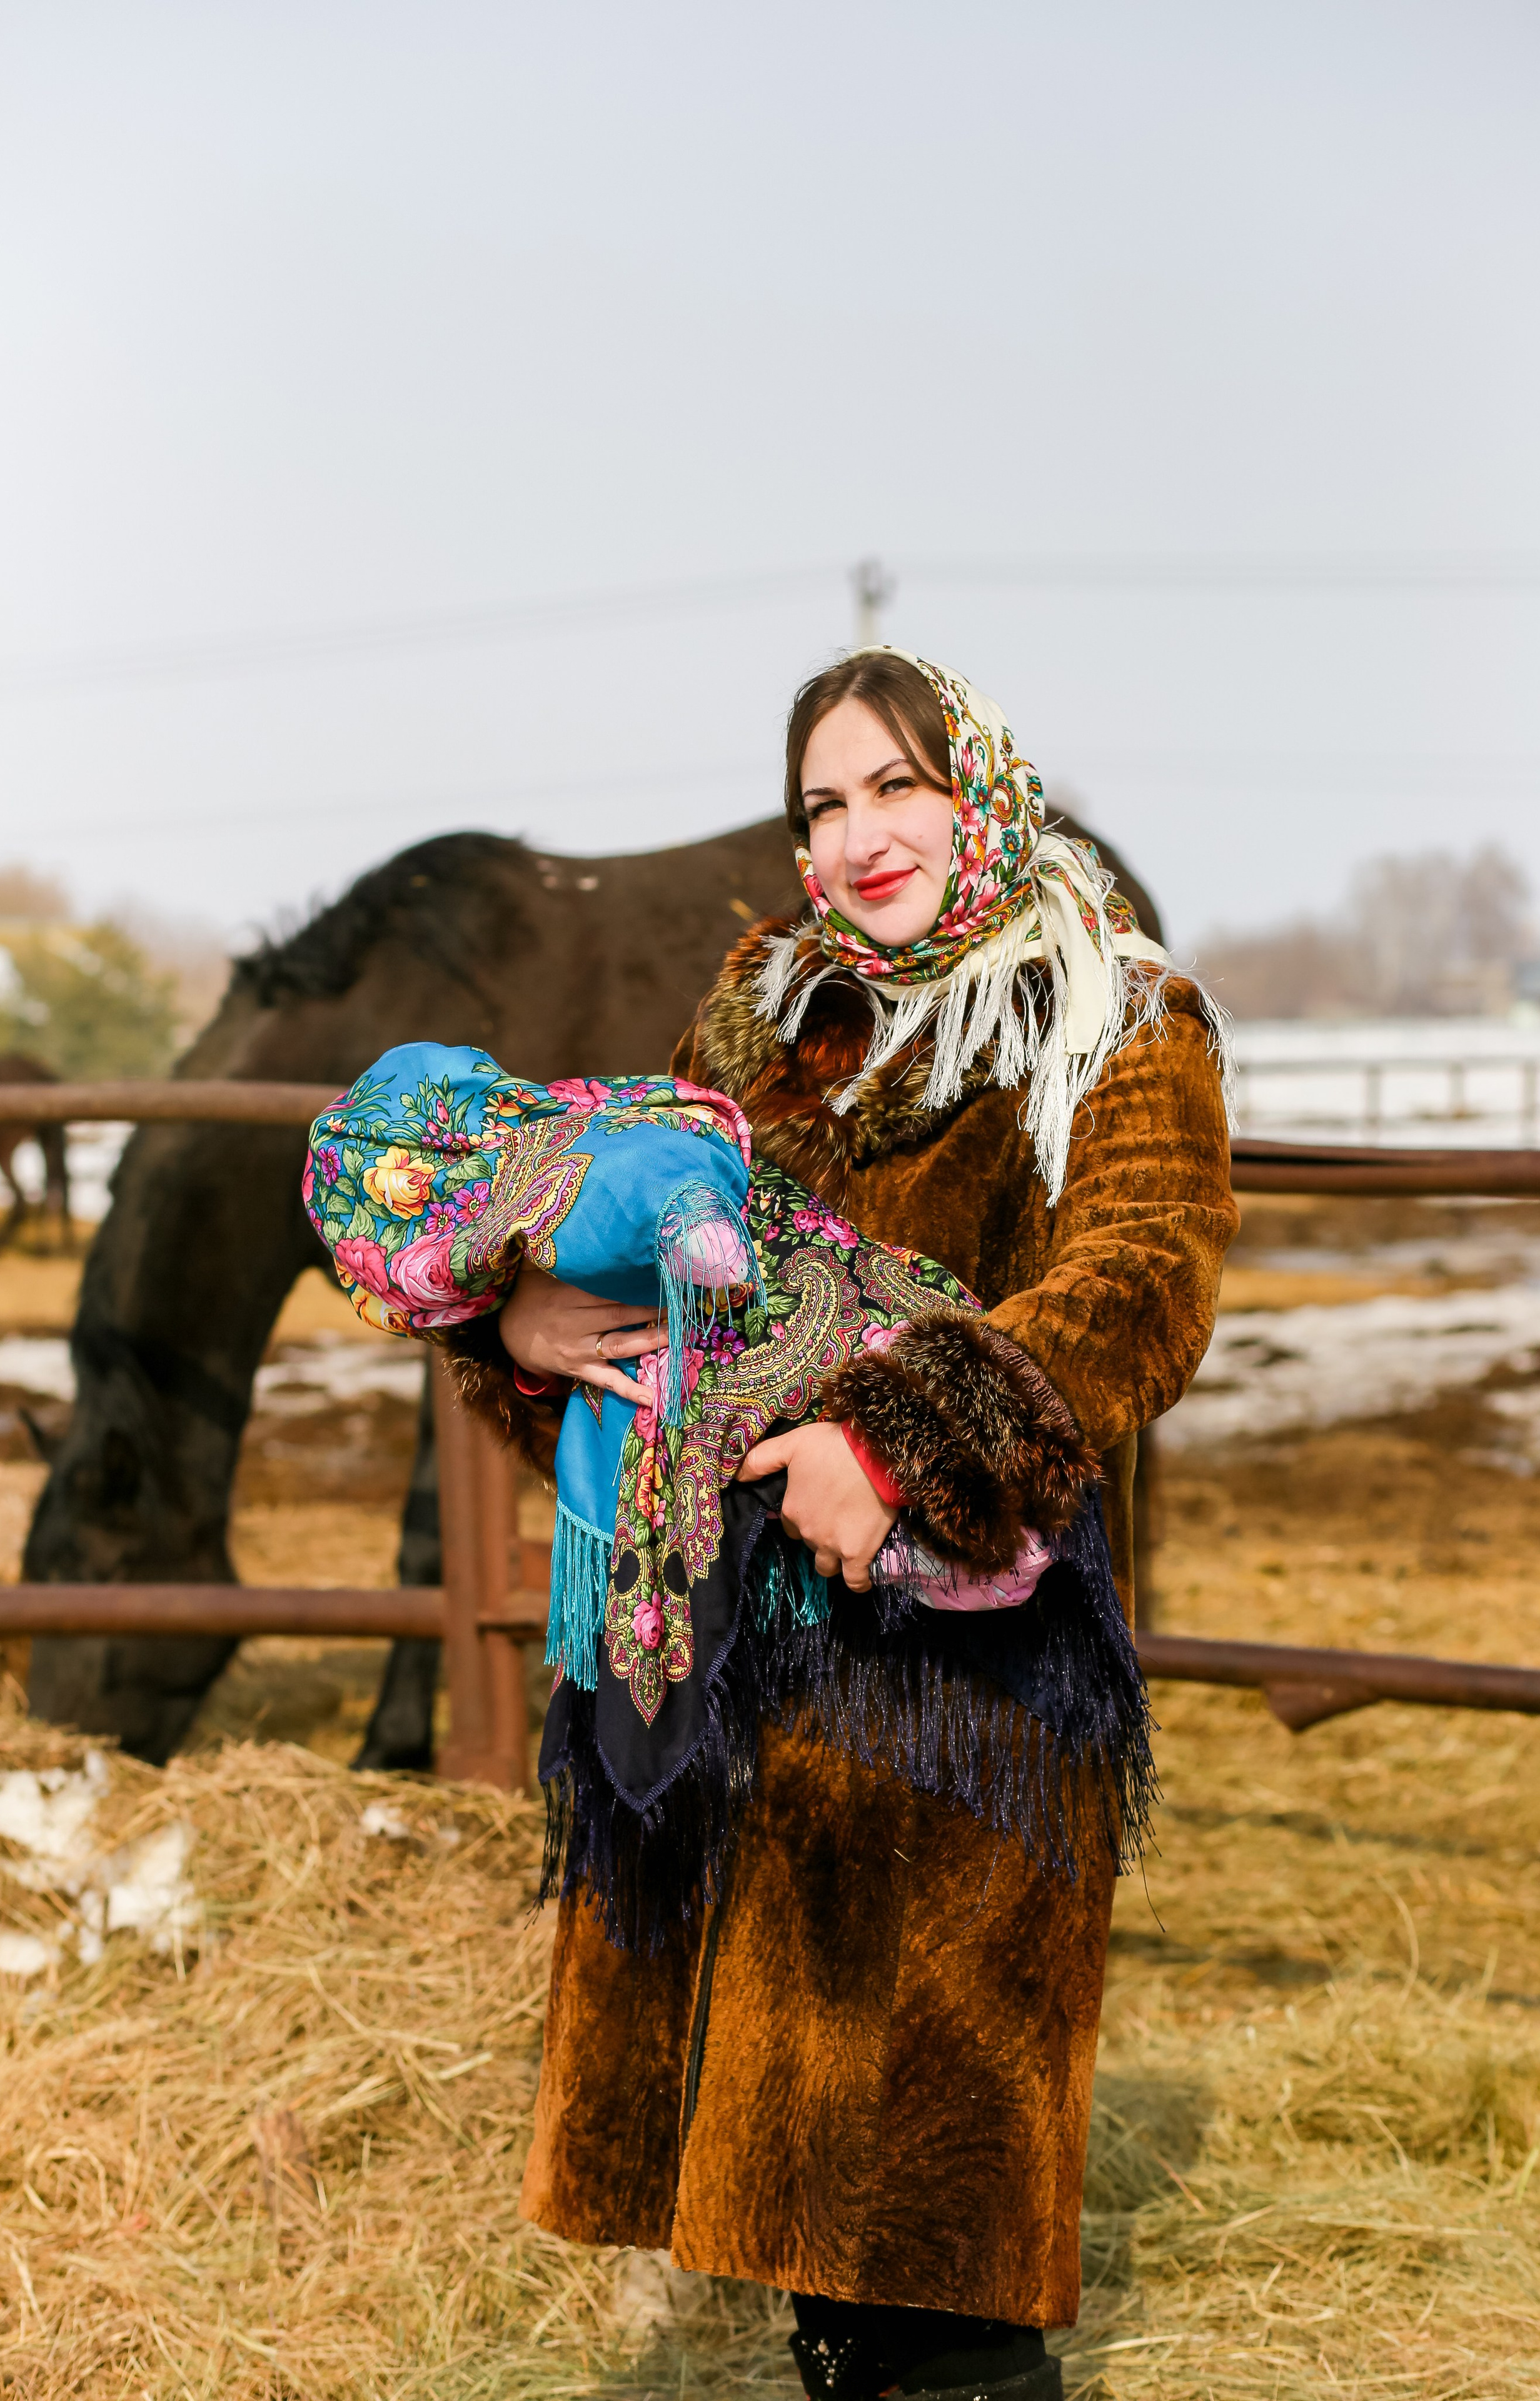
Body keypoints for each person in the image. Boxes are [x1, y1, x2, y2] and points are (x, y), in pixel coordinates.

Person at [326, 649, 1236, 2400]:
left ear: (981, 788)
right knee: (806, 2234)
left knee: (936, 2242)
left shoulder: (1116, 1016)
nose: (859, 834)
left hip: (953, 1695)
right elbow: (652, 1250)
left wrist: (892, 1449)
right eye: (823, 802)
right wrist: (517, 1320)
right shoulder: (776, 1022)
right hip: (738, 1670)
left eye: (898, 785)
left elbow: (1140, 1286)